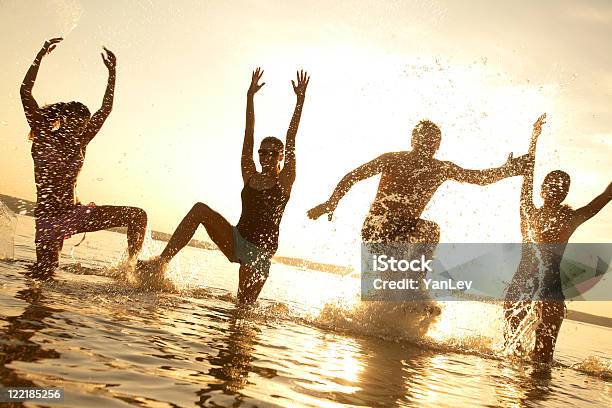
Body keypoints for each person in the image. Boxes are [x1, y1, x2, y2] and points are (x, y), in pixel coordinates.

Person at [138, 69, 309, 304]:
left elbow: (291, 137)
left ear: (281, 157)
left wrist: (299, 101)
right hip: (237, 239)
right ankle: (161, 262)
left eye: (272, 153)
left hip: (259, 253)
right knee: (200, 209)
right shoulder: (249, 174)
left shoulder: (285, 180)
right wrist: (250, 97)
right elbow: (248, 134)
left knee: (242, 310)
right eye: (262, 152)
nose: (265, 156)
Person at [308, 120, 527, 276]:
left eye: (433, 142)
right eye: (424, 139)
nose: (428, 145)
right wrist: (332, 202)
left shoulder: (440, 168)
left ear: (438, 145)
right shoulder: (392, 159)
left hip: (405, 230)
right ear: (413, 139)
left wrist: (507, 170)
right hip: (377, 226)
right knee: (398, 258)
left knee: (430, 230)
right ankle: (401, 287)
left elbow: (477, 178)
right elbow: (353, 176)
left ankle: (413, 284)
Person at [21, 38, 147, 279]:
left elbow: (105, 109)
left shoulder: (80, 141)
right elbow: (25, 91)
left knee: (137, 215)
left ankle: (130, 271)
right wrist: (40, 55)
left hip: (75, 214)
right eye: (77, 124)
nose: (82, 130)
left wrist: (113, 73)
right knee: (43, 276)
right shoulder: (44, 134)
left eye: (85, 126)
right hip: (48, 220)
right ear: (64, 120)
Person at [504, 114, 612, 363]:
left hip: (551, 288)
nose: (555, 189)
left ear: (565, 194)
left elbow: (606, 196)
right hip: (522, 282)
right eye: (551, 184)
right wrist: (533, 138)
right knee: (511, 355)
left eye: (561, 187)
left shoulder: (571, 218)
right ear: (542, 189)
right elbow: (528, 171)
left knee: (542, 360)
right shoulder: (528, 211)